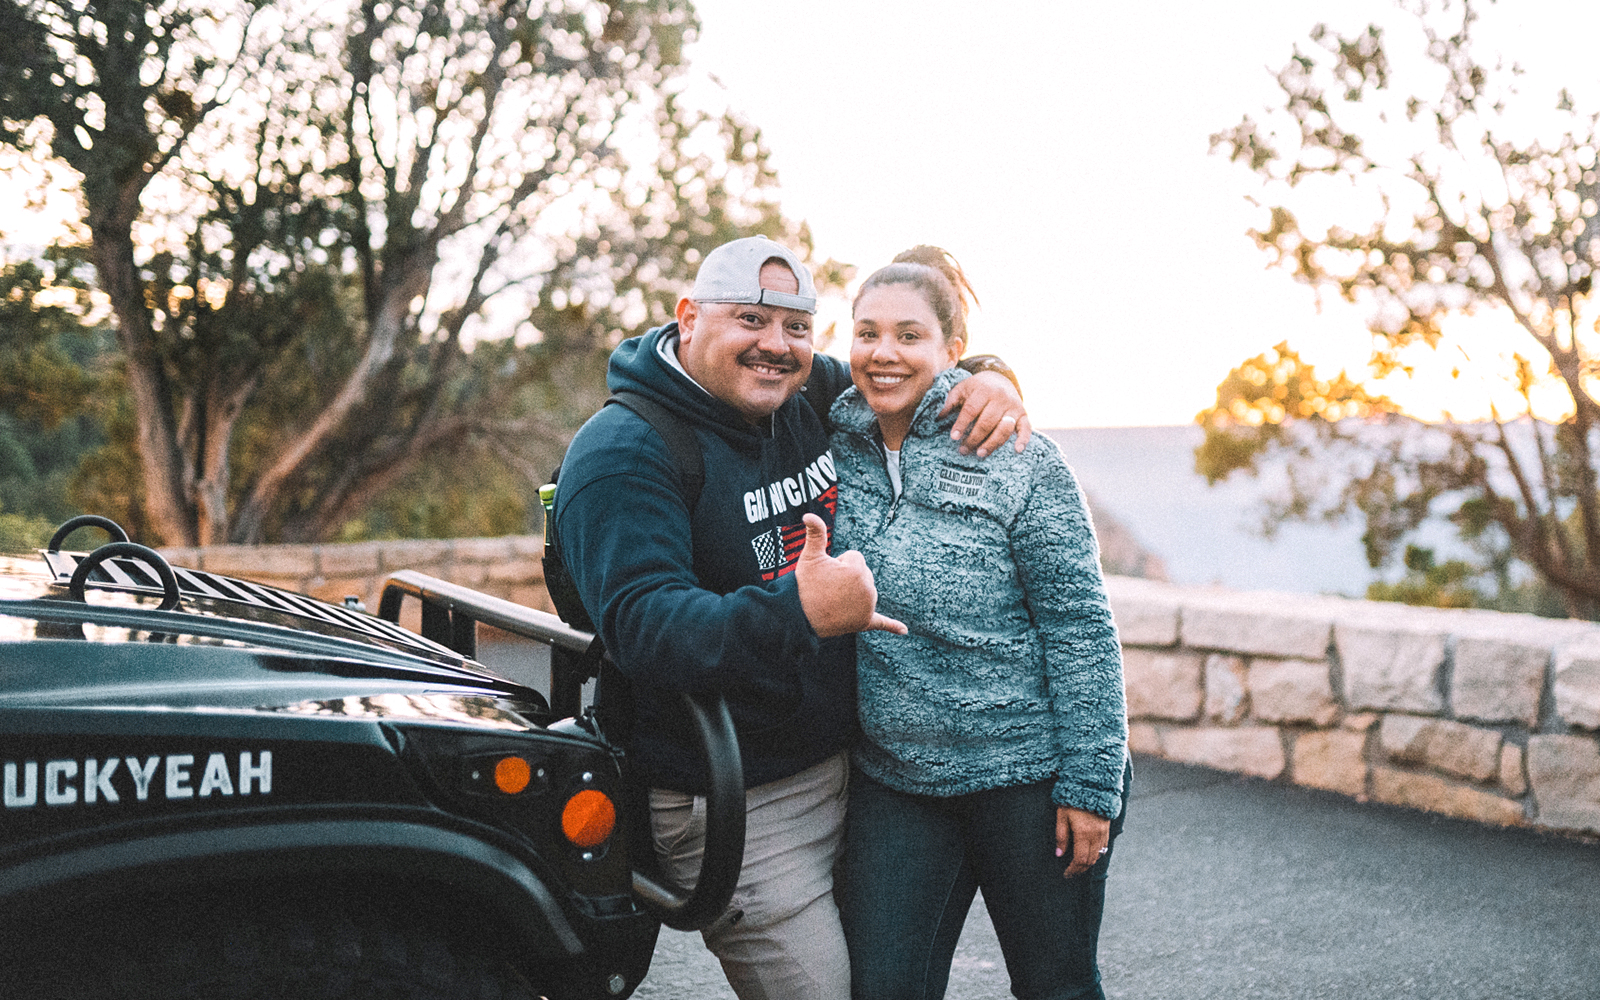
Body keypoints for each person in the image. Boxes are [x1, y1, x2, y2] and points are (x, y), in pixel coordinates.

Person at [553, 235, 1030, 1000]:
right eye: (750, 319)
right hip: (737, 800)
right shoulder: (624, 451)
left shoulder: (807, 399)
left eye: (796, 327)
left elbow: (905, 375)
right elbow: (646, 629)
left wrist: (990, 378)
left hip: (858, 771)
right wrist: (801, 611)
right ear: (687, 317)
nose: (775, 346)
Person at [830, 246, 1130, 1000]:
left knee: (1056, 985)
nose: (883, 353)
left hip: (1028, 780)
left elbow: (1079, 626)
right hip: (896, 782)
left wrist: (1092, 786)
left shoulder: (1016, 455)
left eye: (909, 335)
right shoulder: (829, 444)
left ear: (952, 351)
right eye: (867, 333)